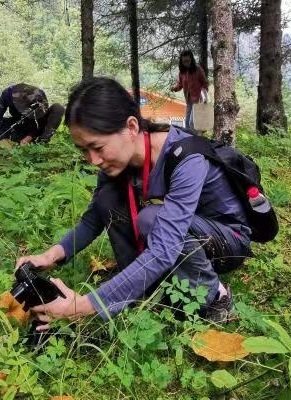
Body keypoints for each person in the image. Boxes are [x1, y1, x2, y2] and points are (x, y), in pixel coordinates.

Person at [16, 77, 252, 329]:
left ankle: (213, 294)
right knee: (108, 199)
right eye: (83, 150)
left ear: (131, 127)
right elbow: (94, 217)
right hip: (179, 235)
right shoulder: (116, 161)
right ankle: (143, 286)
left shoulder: (186, 158)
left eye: (97, 147)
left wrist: (84, 306)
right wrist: (51, 255)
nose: (92, 160)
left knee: (152, 219)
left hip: (227, 240)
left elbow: (164, 249)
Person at [0, 84, 65, 145]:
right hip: (19, 123)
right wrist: (3, 138)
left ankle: (42, 141)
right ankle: (16, 140)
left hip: (36, 125)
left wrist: (30, 136)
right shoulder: (8, 94)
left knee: (58, 108)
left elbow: (40, 119)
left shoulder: (39, 95)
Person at [170, 50, 208, 130]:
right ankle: (190, 140)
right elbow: (180, 85)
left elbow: (205, 83)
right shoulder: (182, 72)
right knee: (187, 124)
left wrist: (205, 98)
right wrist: (174, 88)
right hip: (189, 100)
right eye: (184, 61)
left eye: (188, 61)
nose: (186, 63)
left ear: (191, 59)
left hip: (199, 99)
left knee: (192, 123)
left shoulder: (197, 69)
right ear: (181, 61)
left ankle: (196, 140)